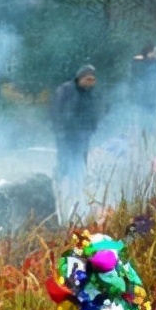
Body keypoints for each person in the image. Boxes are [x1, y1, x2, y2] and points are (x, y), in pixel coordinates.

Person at [50, 65, 102, 205]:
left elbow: (94, 112)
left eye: (93, 79)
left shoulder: (91, 93)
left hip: (83, 134)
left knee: (80, 163)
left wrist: (93, 127)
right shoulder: (65, 90)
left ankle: (77, 191)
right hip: (66, 133)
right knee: (65, 161)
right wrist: (59, 129)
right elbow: (55, 109)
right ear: (80, 78)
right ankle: (59, 189)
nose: (90, 82)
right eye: (88, 79)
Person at [129, 42, 156, 132]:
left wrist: (155, 61)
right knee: (141, 123)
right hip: (140, 100)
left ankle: (150, 140)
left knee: (151, 123)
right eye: (154, 51)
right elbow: (136, 76)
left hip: (152, 99)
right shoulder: (138, 62)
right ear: (149, 52)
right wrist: (149, 60)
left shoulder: (155, 62)